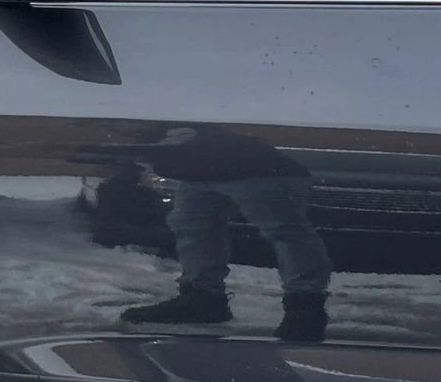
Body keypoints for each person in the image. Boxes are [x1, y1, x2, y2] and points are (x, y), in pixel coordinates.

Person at [118, 125, 333, 342]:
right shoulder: (175, 135)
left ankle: (305, 306)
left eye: (142, 161)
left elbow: (177, 147)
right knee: (190, 225)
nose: (143, 167)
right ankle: (202, 299)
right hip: (203, 172)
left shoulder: (177, 134)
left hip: (262, 171)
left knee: (284, 231)